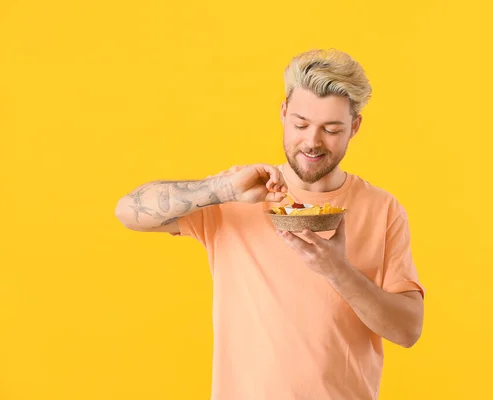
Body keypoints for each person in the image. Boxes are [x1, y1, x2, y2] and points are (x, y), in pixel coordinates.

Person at [115, 48, 425, 400]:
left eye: (332, 129)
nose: (312, 141)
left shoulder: (383, 209)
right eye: (301, 124)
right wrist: (222, 189)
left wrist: (337, 269)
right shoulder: (235, 195)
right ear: (283, 113)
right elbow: (127, 211)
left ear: (354, 127)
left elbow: (408, 330)